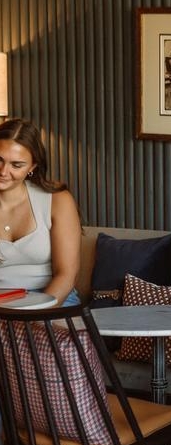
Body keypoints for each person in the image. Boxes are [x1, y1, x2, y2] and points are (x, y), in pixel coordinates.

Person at [0, 118, 80, 307]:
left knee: (42, 336)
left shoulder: (58, 200)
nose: (3, 171)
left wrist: (33, 316)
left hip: (52, 299)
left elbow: (67, 275)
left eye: (16, 165)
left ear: (32, 167)